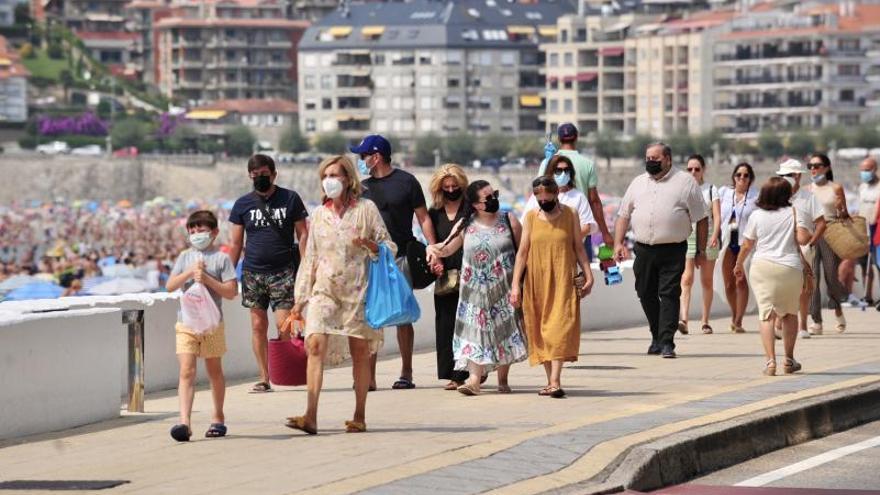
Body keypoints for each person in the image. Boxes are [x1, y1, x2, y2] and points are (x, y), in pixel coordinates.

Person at [285, 156, 394, 435]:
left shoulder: (366, 210)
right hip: (325, 291)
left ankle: (359, 414)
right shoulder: (319, 214)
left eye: (334, 174)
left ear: (348, 179)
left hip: (358, 291)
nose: (329, 180)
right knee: (315, 346)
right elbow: (310, 257)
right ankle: (311, 414)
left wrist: (368, 244)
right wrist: (300, 300)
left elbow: (388, 246)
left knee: (359, 352)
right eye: (325, 175)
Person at [426, 180, 529, 396]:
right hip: (473, 293)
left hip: (503, 290)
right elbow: (446, 248)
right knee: (473, 334)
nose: (494, 200)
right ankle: (474, 380)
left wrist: (518, 285)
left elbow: (523, 253)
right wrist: (431, 249)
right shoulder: (466, 224)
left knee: (504, 332)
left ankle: (503, 379)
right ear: (475, 204)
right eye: (488, 198)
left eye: (495, 195)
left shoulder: (509, 220)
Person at [353, 134, 437, 390]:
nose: (361, 160)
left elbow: (423, 218)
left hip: (401, 255)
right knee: (372, 318)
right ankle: (370, 376)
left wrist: (432, 247)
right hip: (371, 258)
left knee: (403, 316)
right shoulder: (362, 188)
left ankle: (406, 372)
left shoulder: (407, 182)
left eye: (363, 156)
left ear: (376, 156)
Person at [613, 143, 708, 358]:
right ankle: (656, 335)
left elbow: (702, 219)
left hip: (673, 249)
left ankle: (667, 342)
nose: (650, 162)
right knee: (644, 292)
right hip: (643, 249)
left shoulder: (685, 182)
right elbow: (623, 215)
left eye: (655, 158)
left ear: (668, 160)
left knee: (669, 294)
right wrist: (618, 243)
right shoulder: (637, 183)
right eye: (647, 158)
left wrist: (700, 250)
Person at [228, 154, 309, 393]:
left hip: (283, 270)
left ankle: (282, 369)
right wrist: (229, 273)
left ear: (273, 174)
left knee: (284, 324)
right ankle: (264, 376)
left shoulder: (290, 198)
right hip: (253, 272)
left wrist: (305, 267)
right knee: (257, 325)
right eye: (255, 176)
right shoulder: (242, 204)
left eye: (264, 175)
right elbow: (235, 243)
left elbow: (303, 234)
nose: (260, 179)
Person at [511, 176, 594, 398]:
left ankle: (556, 381)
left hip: (563, 279)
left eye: (548, 197)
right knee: (540, 330)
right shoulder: (530, 217)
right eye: (539, 198)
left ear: (556, 193)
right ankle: (550, 381)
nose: (544, 201)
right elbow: (522, 253)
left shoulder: (570, 215)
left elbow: (579, 247)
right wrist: (515, 286)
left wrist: (589, 276)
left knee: (559, 328)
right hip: (536, 281)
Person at [166, 210, 238, 441]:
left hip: (212, 323)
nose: (197, 234)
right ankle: (184, 421)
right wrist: (189, 272)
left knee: (214, 370)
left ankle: (218, 416)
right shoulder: (185, 256)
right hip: (186, 322)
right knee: (186, 370)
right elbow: (170, 285)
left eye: (202, 230)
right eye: (193, 230)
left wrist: (207, 279)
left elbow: (231, 291)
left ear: (214, 232)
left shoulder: (221, 259)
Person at [734, 178, 812, 376]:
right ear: (786, 195)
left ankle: (770, 362)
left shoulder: (757, 215)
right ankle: (788, 360)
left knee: (766, 314)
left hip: (762, 268)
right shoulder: (794, 211)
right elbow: (803, 239)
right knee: (789, 313)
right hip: (790, 268)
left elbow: (747, 245)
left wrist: (738, 264)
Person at [426, 164, 471, 390]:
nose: (451, 190)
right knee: (445, 323)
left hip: (469, 271)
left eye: (455, 186)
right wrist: (436, 260)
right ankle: (450, 372)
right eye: (447, 187)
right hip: (445, 273)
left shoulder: (469, 209)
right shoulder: (434, 211)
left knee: (467, 324)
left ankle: (465, 373)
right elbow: (432, 241)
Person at [538, 123, 614, 249]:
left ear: (558, 139)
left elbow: (539, 194)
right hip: (581, 231)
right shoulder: (587, 164)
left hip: (551, 230)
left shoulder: (548, 162)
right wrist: (605, 233)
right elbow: (594, 202)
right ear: (577, 137)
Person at [774, 159, 826, 340]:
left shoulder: (809, 198)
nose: (783, 179)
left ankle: (803, 324)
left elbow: (821, 223)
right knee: (780, 286)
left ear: (797, 176)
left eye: (787, 175)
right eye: (781, 176)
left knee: (804, 287)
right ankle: (779, 322)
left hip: (803, 248)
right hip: (782, 248)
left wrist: (811, 243)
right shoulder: (777, 197)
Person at [807, 153, 849, 334]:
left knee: (831, 276)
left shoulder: (836, 188)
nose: (813, 169)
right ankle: (816, 321)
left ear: (827, 167)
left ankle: (838, 309)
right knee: (812, 278)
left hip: (831, 233)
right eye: (810, 166)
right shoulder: (807, 189)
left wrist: (841, 208)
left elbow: (844, 216)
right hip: (812, 234)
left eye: (817, 165)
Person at [679, 154, 721, 335]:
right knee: (686, 279)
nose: (693, 172)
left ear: (703, 170)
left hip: (709, 234)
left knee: (706, 280)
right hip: (688, 236)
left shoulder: (711, 189)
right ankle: (684, 319)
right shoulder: (683, 190)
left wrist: (715, 235)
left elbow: (717, 216)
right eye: (690, 169)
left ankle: (705, 320)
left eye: (697, 169)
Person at [718, 162, 758, 333]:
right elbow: (714, 213)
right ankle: (734, 315)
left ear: (750, 178)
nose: (742, 178)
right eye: (738, 175)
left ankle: (739, 320)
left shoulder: (756, 196)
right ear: (733, 177)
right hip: (727, 242)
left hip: (745, 243)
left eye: (746, 175)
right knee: (729, 284)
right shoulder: (724, 193)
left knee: (741, 280)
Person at [523, 154, 597, 240]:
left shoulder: (579, 197)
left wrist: (566, 240)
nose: (563, 174)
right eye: (558, 171)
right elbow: (525, 223)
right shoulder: (538, 196)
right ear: (550, 172)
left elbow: (587, 226)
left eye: (566, 170)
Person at [856, 157, 879, 305]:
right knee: (865, 264)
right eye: (862, 170)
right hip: (863, 229)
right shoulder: (862, 187)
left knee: (878, 263)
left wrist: (873, 220)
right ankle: (867, 296)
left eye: (867, 170)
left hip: (876, 229)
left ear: (875, 169)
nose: (864, 173)